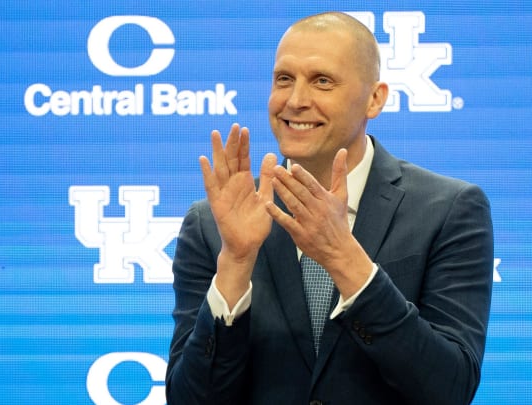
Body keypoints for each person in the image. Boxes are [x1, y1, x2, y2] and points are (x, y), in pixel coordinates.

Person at [166, 11, 493, 405]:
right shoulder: (213, 224)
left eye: (322, 81)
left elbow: (449, 388)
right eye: (284, 79)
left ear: (375, 99)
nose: (296, 100)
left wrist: (344, 258)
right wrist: (236, 261)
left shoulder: (448, 210)